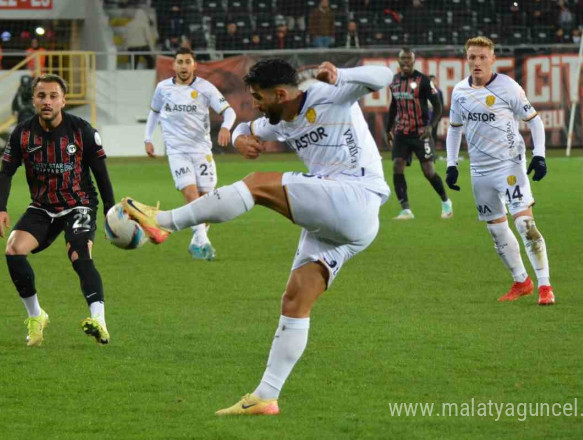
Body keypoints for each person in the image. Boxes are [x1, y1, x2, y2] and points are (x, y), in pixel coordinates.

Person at [123, 58, 393, 415]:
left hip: (358, 196)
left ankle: (165, 222)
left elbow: (384, 76)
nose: (255, 105)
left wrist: (344, 74)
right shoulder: (277, 119)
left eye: (258, 97)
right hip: (341, 218)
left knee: (257, 184)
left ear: (281, 93)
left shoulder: (332, 93)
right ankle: (266, 396)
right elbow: (246, 127)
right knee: (295, 300)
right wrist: (239, 140)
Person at [0, 74, 116, 346]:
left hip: (79, 204)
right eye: (41, 96)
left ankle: (99, 320)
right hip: (43, 206)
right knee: (13, 248)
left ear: (64, 100)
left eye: (53, 96)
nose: (47, 101)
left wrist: (110, 212)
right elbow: (5, 173)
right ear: (33, 100)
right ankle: (36, 315)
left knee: (79, 254)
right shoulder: (22, 133)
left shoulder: (82, 131)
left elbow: (101, 175)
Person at [444, 36, 555, 305]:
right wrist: (451, 164)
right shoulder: (460, 92)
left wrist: (539, 156)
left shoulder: (508, 87)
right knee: (496, 231)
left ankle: (545, 286)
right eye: (472, 57)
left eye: (483, 57)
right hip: (479, 171)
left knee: (525, 224)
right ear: (467, 59)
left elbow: (535, 123)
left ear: (493, 59)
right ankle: (521, 282)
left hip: (510, 165)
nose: (477, 62)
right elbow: (454, 129)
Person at [143, 47, 237, 260]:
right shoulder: (163, 88)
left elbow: (229, 111)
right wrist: (147, 138)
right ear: (174, 65)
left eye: (187, 62)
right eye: (180, 62)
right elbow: (154, 112)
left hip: (202, 151)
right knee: (190, 193)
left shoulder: (206, 88)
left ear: (194, 65)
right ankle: (204, 242)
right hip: (177, 151)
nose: (183, 66)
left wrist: (225, 127)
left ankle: (197, 239)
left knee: (206, 204)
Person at [386, 48, 451, 220]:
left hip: (421, 132)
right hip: (401, 132)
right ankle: (405, 209)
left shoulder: (423, 81)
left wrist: (430, 126)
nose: (405, 61)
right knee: (397, 166)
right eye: (402, 58)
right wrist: (388, 129)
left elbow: (437, 106)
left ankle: (446, 202)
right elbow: (394, 106)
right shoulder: (394, 81)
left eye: (409, 58)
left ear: (414, 61)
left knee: (428, 171)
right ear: (398, 61)